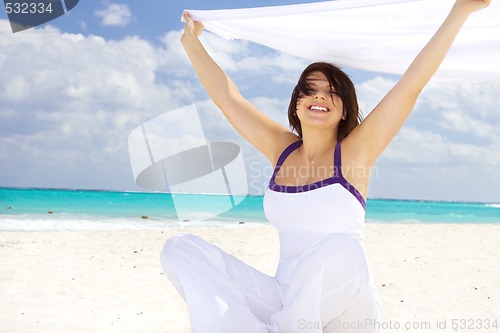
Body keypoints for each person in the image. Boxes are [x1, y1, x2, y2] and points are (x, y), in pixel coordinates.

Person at [160, 1, 491, 332]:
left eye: (332, 93)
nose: (319, 97)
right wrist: (192, 41)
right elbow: (228, 97)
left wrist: (459, 11)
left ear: (345, 110)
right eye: (310, 90)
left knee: (341, 247)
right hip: (286, 300)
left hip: (348, 305)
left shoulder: (355, 152)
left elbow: (410, 86)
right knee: (181, 249)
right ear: (296, 104)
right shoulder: (282, 150)